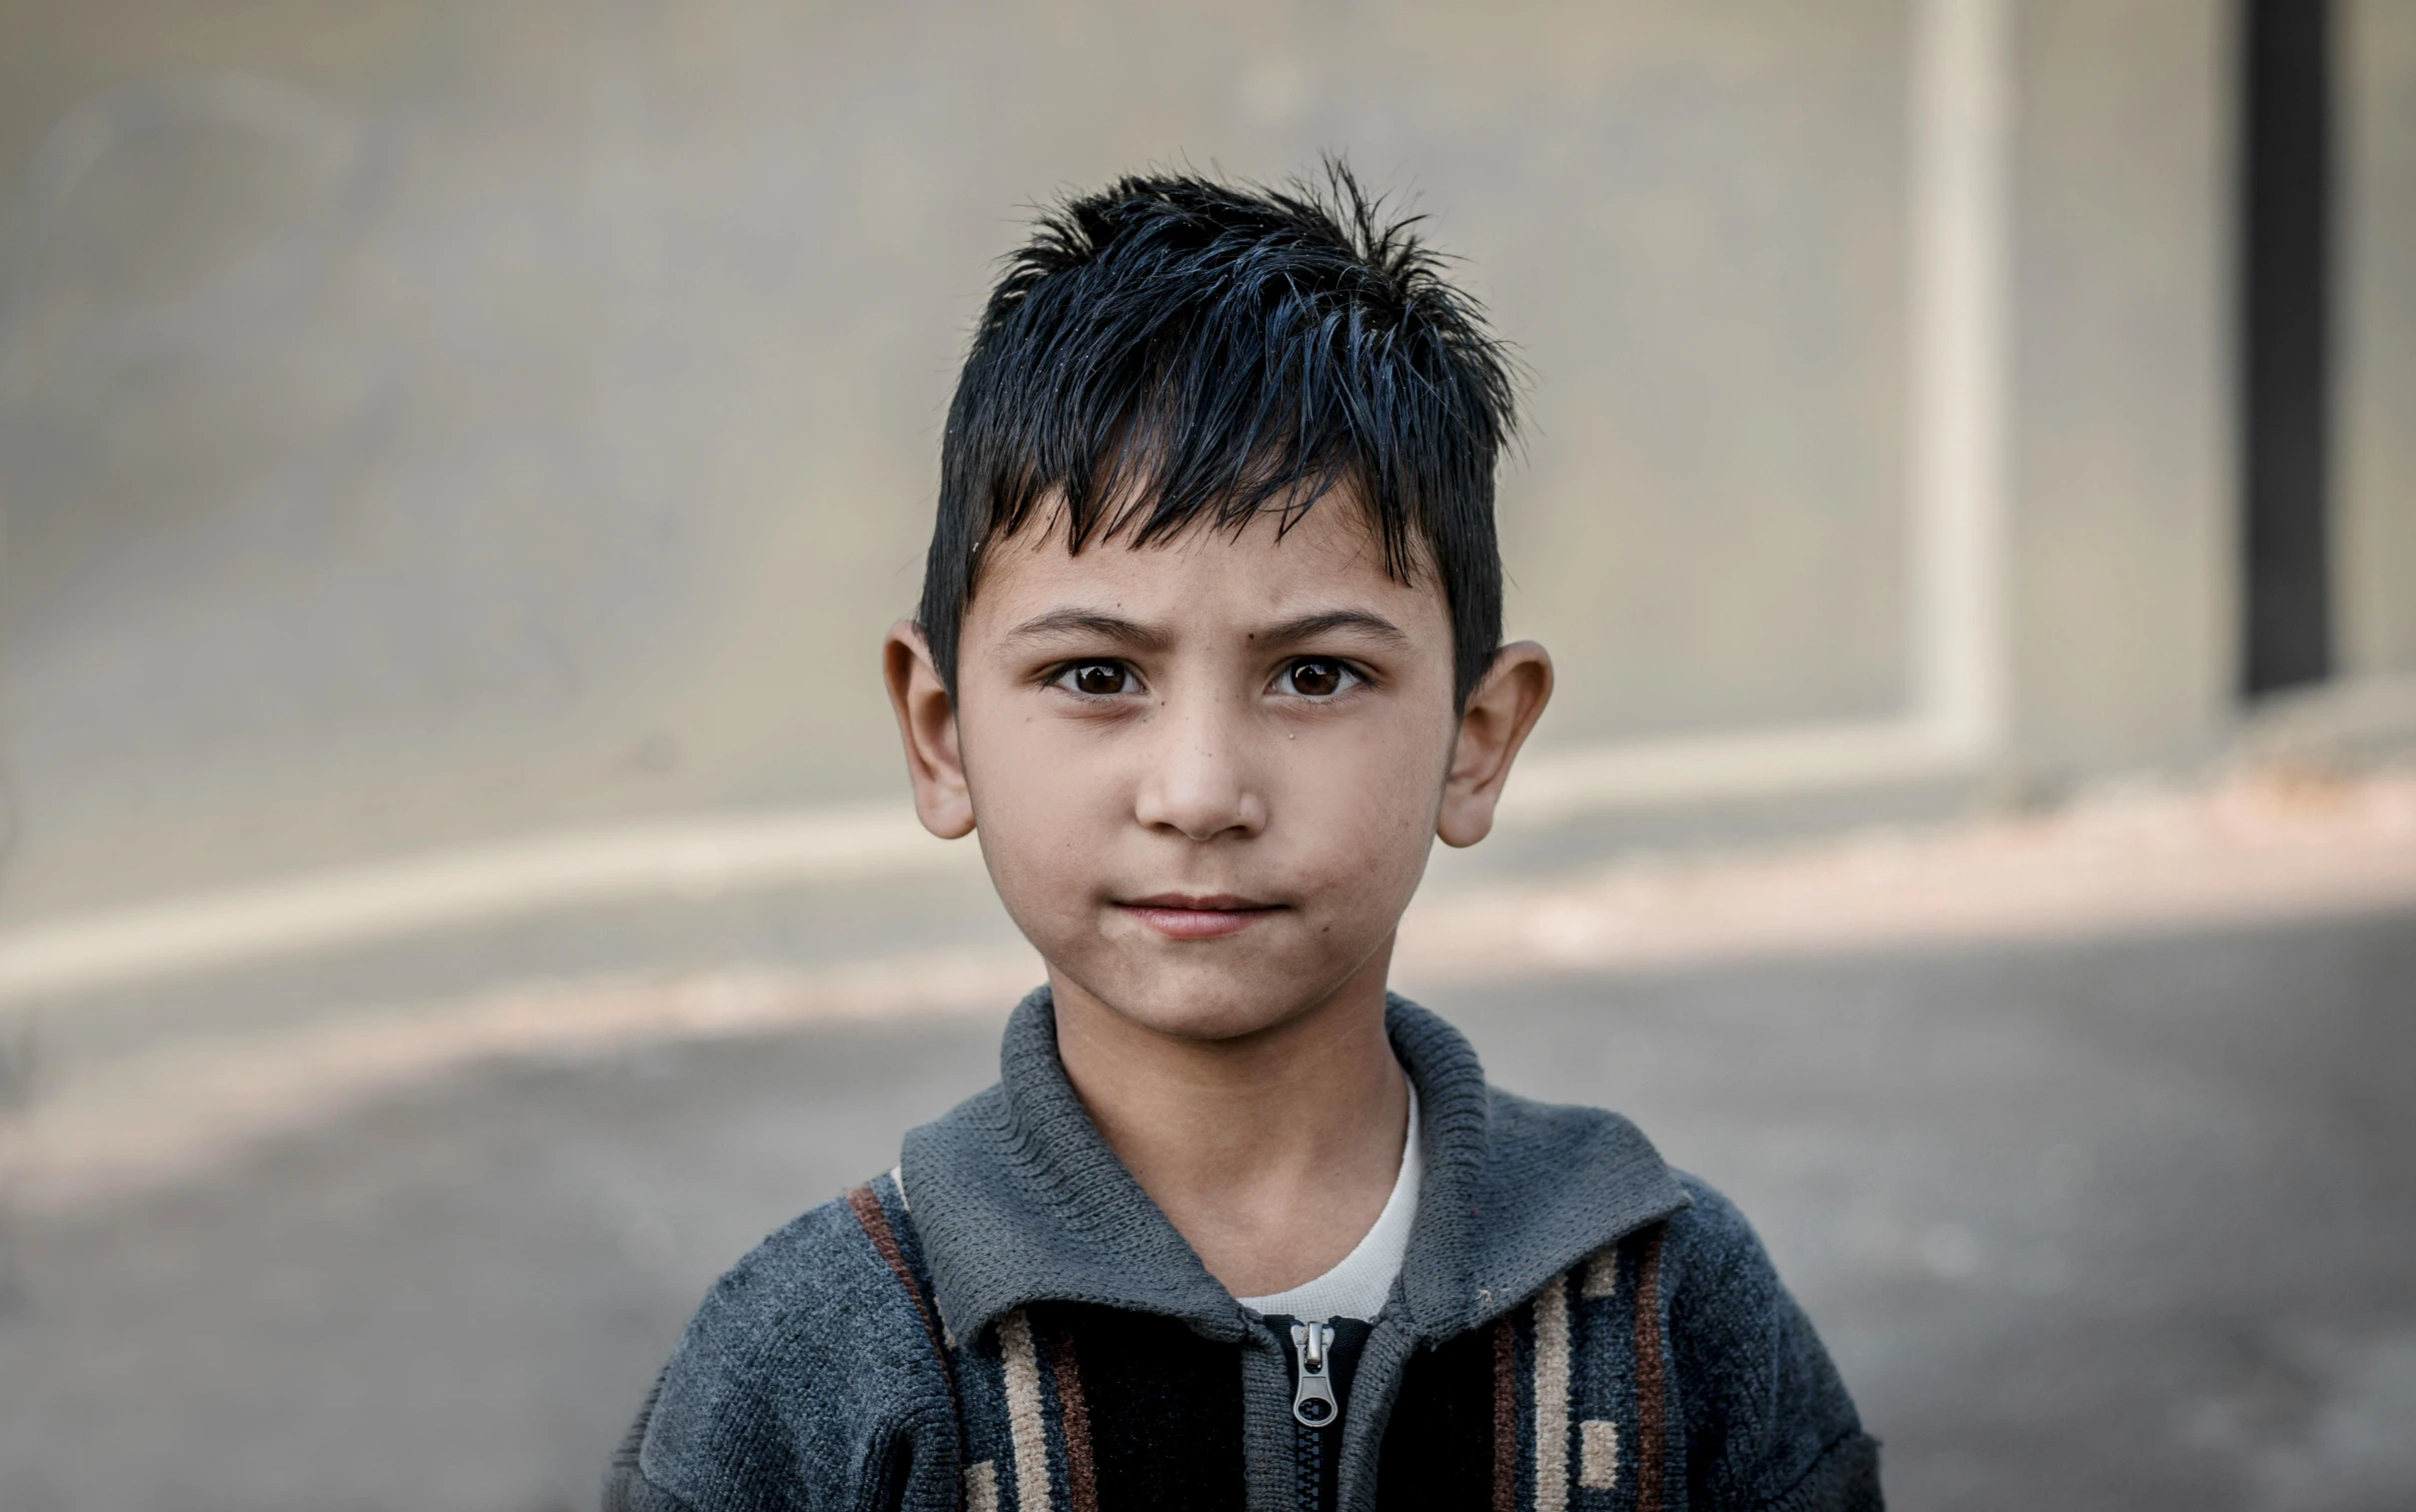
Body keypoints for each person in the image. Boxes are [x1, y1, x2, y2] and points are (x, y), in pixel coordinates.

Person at [605, 163, 1880, 1512]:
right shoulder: (819, 1362)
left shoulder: (1664, 1309)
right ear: (939, 732)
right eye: (1097, 675)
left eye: (1315, 674)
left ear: (1475, 738)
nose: (1201, 792)